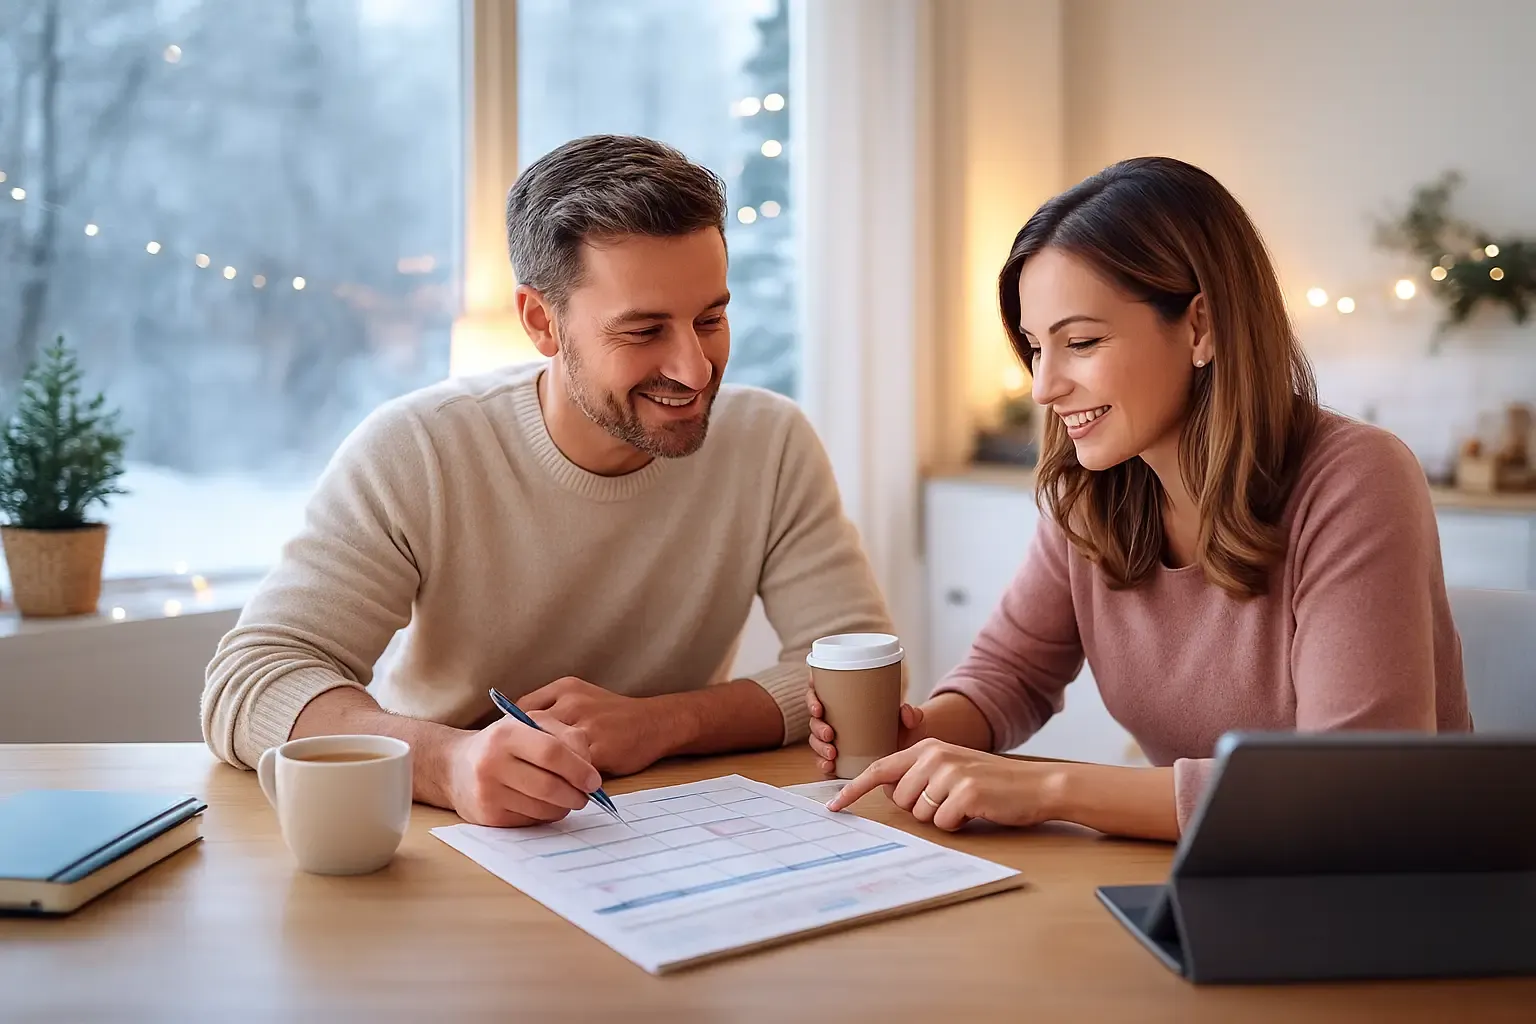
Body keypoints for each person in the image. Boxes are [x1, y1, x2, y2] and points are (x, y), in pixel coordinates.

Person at [204, 134, 892, 827]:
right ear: (542, 321)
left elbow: (856, 671)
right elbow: (254, 679)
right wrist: (446, 762)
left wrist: (660, 724)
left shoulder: (770, 443)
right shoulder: (418, 449)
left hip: (677, 827)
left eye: (710, 318)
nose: (695, 369)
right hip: (446, 828)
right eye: (644, 330)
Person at [813, 156, 1471, 840]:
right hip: (1214, 882)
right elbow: (1011, 672)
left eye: (1082, 342)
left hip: (1398, 902)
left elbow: (1356, 788)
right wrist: (914, 738)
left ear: (1200, 326)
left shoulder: (1356, 477)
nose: (1044, 387)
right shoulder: (1091, 490)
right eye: (1037, 348)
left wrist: (1050, 787)